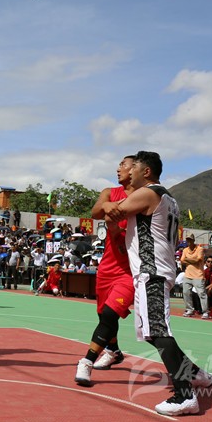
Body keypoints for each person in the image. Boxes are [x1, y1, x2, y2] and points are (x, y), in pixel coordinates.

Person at [104, 151, 212, 416]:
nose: (129, 172)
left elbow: (109, 215)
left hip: (151, 271)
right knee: (153, 333)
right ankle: (195, 374)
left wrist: (105, 201)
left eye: (134, 168)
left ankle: (185, 395)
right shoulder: (168, 197)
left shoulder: (148, 193)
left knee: (159, 332)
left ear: (146, 172)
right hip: (156, 270)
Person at [74, 156, 136, 386]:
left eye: (123, 165)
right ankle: (114, 351)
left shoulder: (144, 197)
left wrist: (115, 225)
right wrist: (107, 206)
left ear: (136, 169)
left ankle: (87, 361)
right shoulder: (110, 192)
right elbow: (96, 211)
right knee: (104, 315)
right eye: (119, 164)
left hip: (130, 271)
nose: (119, 168)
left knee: (110, 315)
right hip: (107, 268)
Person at [180, 235, 210, 319]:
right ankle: (189, 309)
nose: (189, 242)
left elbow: (198, 260)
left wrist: (187, 259)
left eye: (190, 240)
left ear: (193, 240)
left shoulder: (199, 249)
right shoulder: (185, 250)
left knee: (201, 294)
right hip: (187, 275)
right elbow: (182, 260)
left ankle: (205, 311)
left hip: (198, 275)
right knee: (186, 292)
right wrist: (192, 260)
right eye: (187, 240)